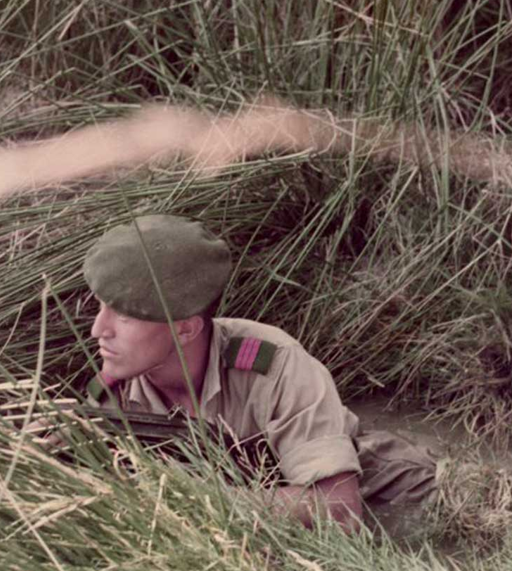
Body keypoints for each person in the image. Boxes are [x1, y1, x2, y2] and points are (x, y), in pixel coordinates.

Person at [82, 214, 438, 534]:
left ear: (185, 330)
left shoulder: (273, 364)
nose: (99, 329)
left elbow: (339, 510)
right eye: (100, 307)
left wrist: (189, 498)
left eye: (124, 316)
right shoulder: (111, 397)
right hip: (268, 515)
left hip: (393, 495)